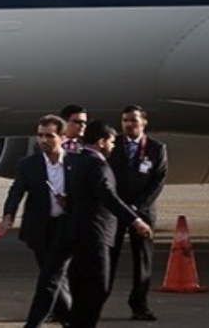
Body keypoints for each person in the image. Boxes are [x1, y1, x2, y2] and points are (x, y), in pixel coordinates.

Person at [63, 120, 153, 328]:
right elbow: (109, 197)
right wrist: (135, 220)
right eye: (111, 142)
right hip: (96, 233)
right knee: (98, 286)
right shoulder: (98, 165)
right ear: (101, 142)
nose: (113, 146)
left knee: (79, 285)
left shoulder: (73, 161)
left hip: (75, 232)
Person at [0, 115, 73, 328]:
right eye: (40, 135)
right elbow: (16, 191)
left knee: (50, 279)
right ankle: (70, 318)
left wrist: (71, 200)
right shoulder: (28, 164)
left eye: (49, 136)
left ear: (62, 137)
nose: (43, 140)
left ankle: (33, 324)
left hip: (66, 228)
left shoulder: (76, 163)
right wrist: (8, 216)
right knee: (54, 276)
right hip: (40, 229)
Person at [107, 105, 168, 322]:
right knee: (107, 258)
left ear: (144, 122)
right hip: (115, 209)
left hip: (143, 211)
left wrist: (138, 208)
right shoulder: (113, 145)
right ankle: (96, 301)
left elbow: (158, 181)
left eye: (133, 120)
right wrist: (119, 206)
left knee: (142, 259)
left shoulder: (156, 148)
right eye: (125, 120)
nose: (129, 124)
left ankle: (139, 305)